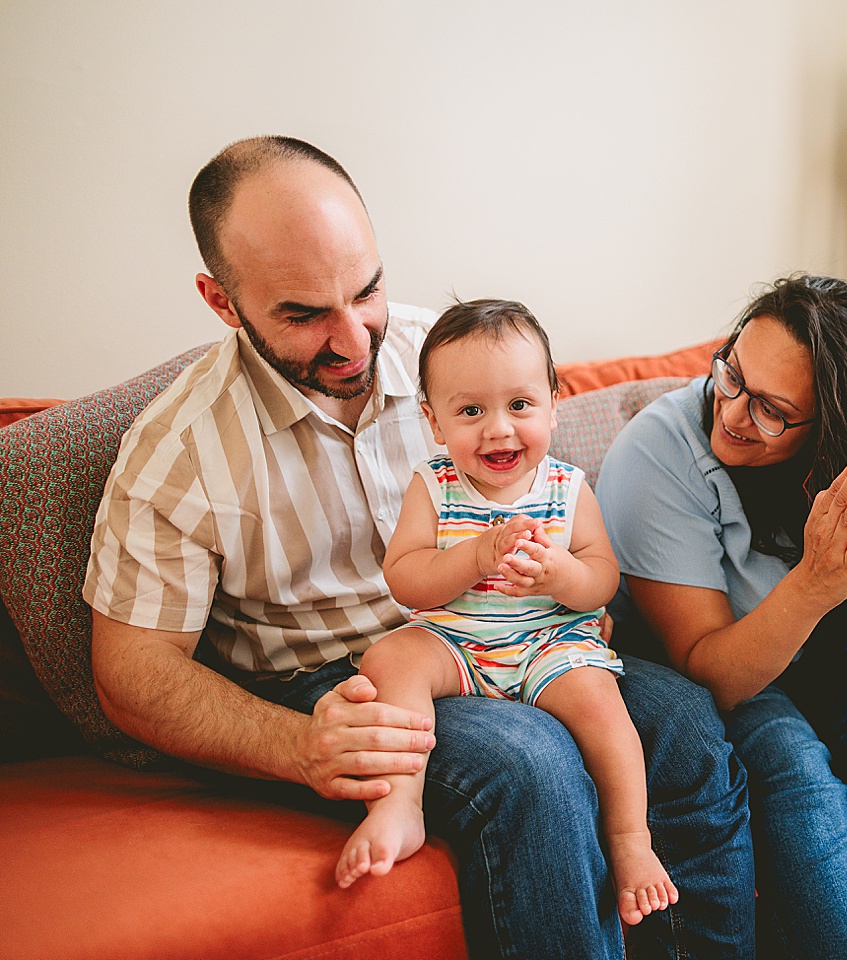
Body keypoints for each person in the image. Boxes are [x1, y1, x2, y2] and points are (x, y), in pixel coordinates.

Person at [83, 136, 752, 959]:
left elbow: (556, 490)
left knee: (684, 721)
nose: (354, 339)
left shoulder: (446, 358)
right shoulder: (177, 450)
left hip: (511, 629)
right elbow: (130, 674)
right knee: (531, 766)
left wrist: (575, 594)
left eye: (365, 291)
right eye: (303, 314)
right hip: (332, 673)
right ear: (222, 302)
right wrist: (299, 747)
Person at [595, 275, 847, 960]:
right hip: (715, 670)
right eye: (732, 374)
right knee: (791, 763)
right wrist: (813, 587)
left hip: (821, 653)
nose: (732, 412)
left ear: (832, 428)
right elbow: (711, 672)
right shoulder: (658, 454)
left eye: (771, 409)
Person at [338, 297, 677, 925]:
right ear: (434, 422)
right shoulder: (433, 485)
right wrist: (472, 560)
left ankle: (632, 840)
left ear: (553, 401)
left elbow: (602, 578)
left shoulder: (567, 487)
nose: (498, 428)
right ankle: (400, 806)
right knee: (390, 658)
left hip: (550, 642)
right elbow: (404, 578)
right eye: (470, 411)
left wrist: (561, 573)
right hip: (456, 639)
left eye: (519, 405)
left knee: (605, 707)